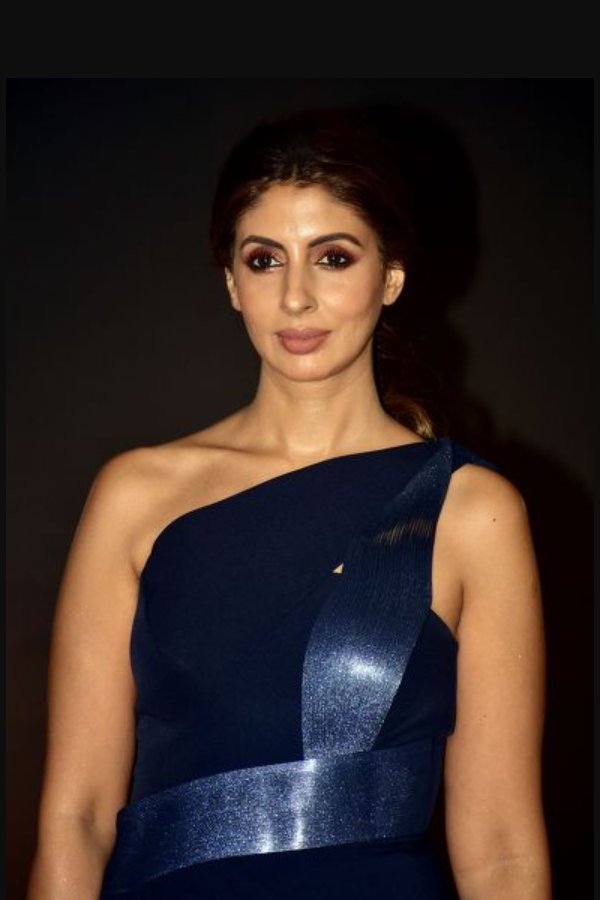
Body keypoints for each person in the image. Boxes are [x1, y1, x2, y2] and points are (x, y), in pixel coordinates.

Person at [27, 107, 552, 899]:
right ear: (232, 283)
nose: (296, 297)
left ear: (391, 275)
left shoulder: (473, 511)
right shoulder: (137, 496)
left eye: (333, 257)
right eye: (265, 260)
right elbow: (77, 818)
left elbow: (504, 850)